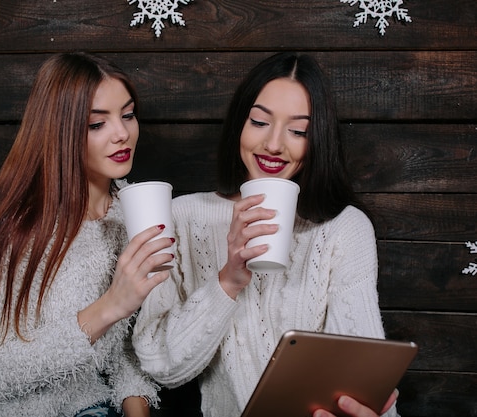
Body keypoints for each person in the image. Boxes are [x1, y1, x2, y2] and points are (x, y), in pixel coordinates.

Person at [132, 52, 400, 417]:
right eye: (260, 122)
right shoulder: (184, 216)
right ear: (239, 124)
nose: (274, 144)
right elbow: (160, 363)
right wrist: (227, 281)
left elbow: (362, 370)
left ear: (316, 140)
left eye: (298, 131)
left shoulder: (344, 227)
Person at [0, 52, 174, 417]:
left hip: (88, 406)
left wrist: (136, 407)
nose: (122, 133)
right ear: (61, 130)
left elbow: (124, 346)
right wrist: (111, 305)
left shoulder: (131, 212)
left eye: (127, 115)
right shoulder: (23, 223)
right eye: (97, 124)